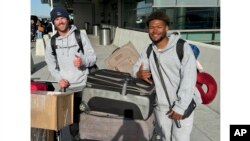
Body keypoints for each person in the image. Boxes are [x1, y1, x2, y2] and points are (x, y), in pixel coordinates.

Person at [132, 11, 201, 141]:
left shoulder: (182, 47)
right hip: (161, 107)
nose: (154, 31)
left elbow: (189, 78)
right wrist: (138, 73)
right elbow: (136, 67)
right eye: (151, 27)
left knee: (180, 139)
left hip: (182, 104)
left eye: (159, 27)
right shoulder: (149, 50)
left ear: (166, 28)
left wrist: (180, 107)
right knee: (164, 137)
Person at [45, 7, 97, 140]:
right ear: (53, 22)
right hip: (67, 89)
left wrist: (83, 61)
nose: (60, 21)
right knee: (72, 122)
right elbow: (50, 63)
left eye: (62, 18)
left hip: (85, 86)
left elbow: (93, 57)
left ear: (67, 19)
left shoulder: (80, 35)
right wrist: (59, 79)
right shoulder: (52, 41)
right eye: (56, 19)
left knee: (88, 118)